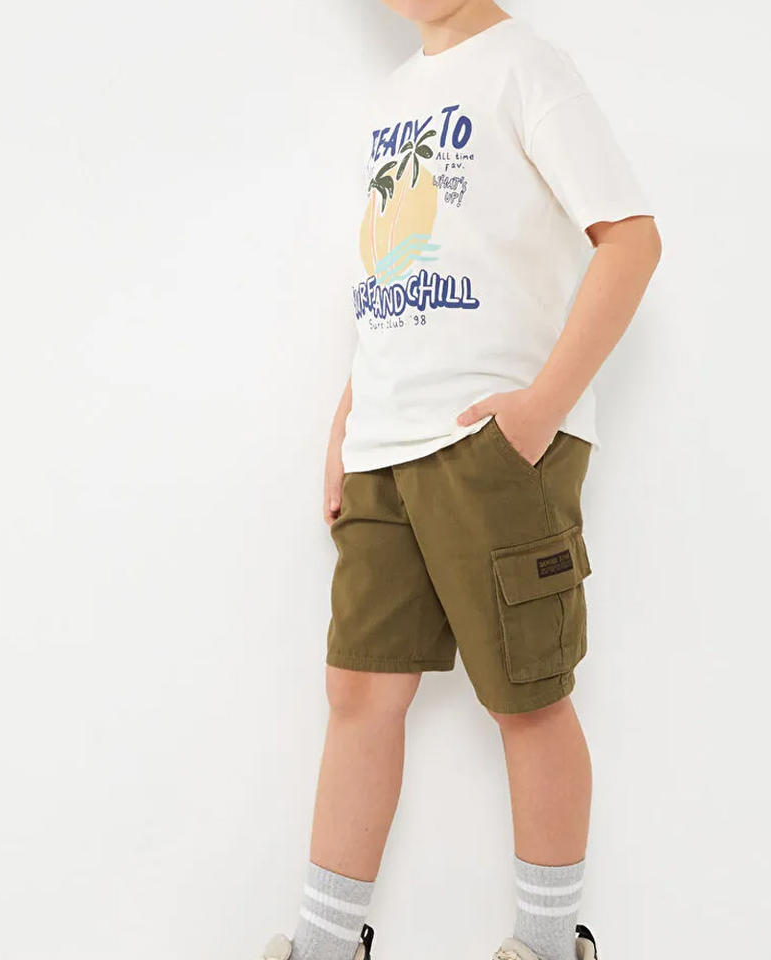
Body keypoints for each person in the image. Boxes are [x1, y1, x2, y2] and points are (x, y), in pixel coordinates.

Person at [261, 2, 661, 958]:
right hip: (383, 446)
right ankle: (324, 944)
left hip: (490, 447)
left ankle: (548, 942)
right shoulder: (393, 99)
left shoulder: (527, 66)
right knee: (358, 692)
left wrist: (540, 408)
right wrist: (348, 414)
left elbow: (632, 240)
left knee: (526, 696)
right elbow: (393, 281)